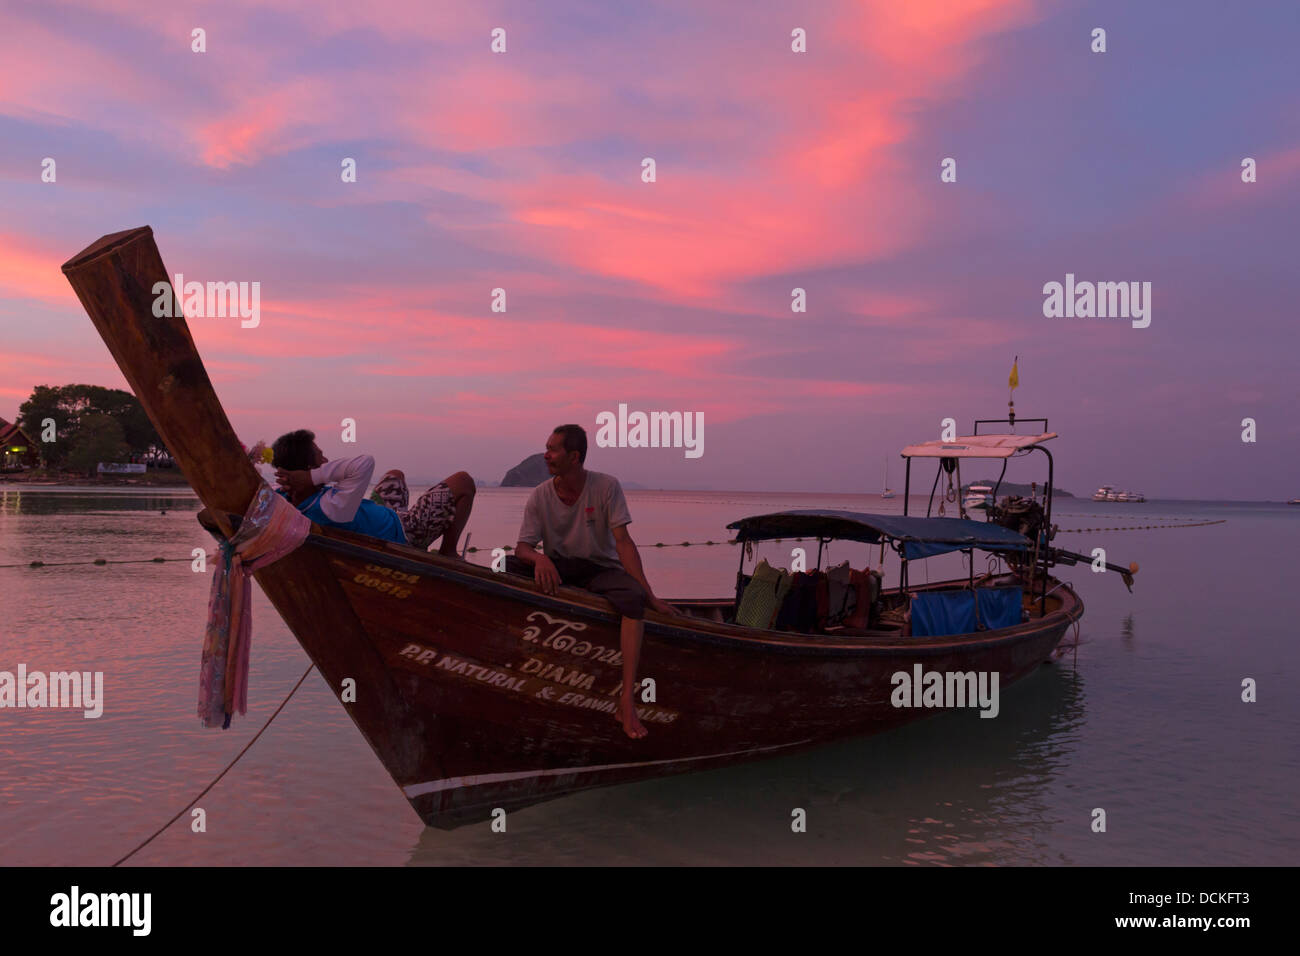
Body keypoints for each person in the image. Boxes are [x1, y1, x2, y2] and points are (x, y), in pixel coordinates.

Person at [512, 424, 675, 739]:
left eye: (553, 449)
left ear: (574, 457)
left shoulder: (606, 488)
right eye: (546, 447)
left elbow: (623, 543)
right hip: (558, 565)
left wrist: (650, 596)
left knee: (633, 600)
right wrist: (540, 558)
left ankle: (626, 699)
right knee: (508, 567)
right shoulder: (540, 496)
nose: (546, 455)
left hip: (600, 568)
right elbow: (522, 547)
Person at [271, 429, 475, 555]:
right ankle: (448, 551)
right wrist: (311, 478)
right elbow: (364, 463)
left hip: (387, 517)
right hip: (406, 532)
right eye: (320, 458)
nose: (326, 462)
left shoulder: (288, 498)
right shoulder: (332, 507)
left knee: (395, 475)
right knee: (463, 481)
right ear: (307, 471)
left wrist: (302, 479)